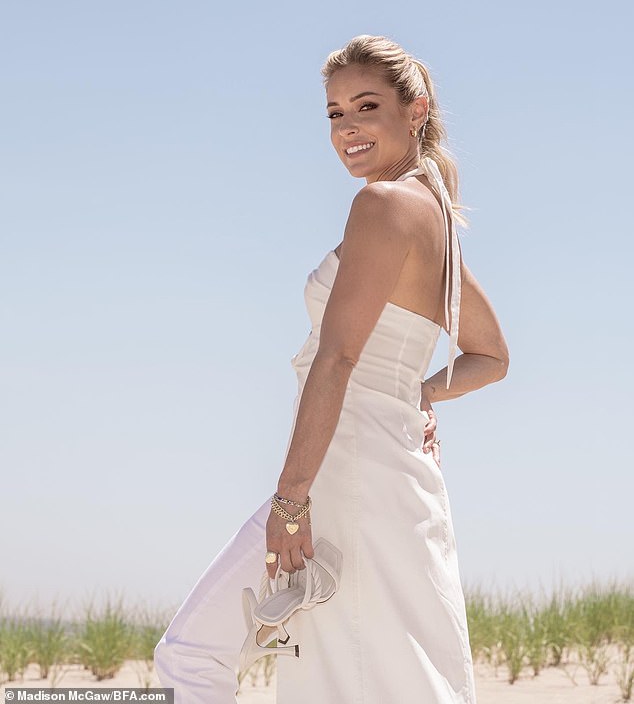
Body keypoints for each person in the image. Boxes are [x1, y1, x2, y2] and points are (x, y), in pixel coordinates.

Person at [154, 34, 510, 704]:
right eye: (334, 113)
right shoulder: (430, 216)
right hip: (389, 474)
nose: (346, 128)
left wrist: (290, 501)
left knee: (194, 654)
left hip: (338, 478)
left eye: (365, 106)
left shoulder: (383, 207)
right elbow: (491, 357)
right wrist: (421, 394)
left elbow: (338, 356)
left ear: (416, 109)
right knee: (378, 670)